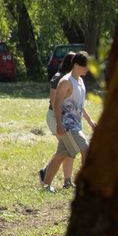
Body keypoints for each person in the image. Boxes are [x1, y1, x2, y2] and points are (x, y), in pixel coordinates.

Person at [40, 52, 95, 193]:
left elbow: (79, 105)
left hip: (76, 124)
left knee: (62, 154)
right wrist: (59, 124)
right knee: (86, 149)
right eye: (85, 66)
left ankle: (45, 185)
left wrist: (89, 120)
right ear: (76, 65)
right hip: (67, 125)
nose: (88, 70)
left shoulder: (80, 81)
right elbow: (56, 103)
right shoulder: (66, 81)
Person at [38, 52, 78, 190]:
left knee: (67, 148)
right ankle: (47, 175)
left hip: (65, 117)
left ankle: (66, 180)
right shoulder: (59, 78)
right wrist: (61, 121)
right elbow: (54, 101)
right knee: (68, 147)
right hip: (56, 117)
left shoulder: (71, 78)